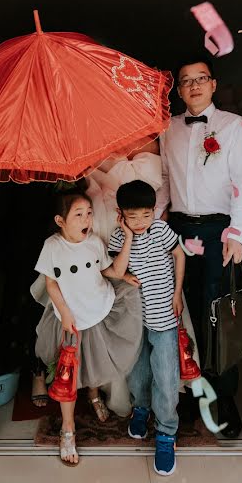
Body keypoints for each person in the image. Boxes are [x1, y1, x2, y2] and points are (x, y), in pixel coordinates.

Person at [155, 55, 242, 438]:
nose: (193, 86)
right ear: (178, 90)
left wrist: (237, 234)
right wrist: (159, 217)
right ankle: (184, 394)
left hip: (218, 233)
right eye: (185, 81)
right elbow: (165, 178)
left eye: (201, 79)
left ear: (213, 85)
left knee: (217, 318)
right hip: (176, 230)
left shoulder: (231, 127)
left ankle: (223, 397)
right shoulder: (169, 129)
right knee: (176, 314)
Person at [34, 187, 143, 466]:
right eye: (79, 214)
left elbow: (109, 270)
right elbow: (51, 283)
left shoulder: (94, 242)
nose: (86, 220)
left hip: (98, 310)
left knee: (94, 363)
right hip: (70, 320)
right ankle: (67, 428)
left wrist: (126, 252)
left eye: (89, 214)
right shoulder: (52, 246)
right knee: (68, 375)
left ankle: (94, 395)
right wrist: (64, 311)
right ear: (61, 220)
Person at [108, 180, 186, 476]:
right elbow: (118, 268)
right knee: (137, 369)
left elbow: (179, 255)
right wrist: (127, 236)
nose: (140, 222)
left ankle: (166, 433)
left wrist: (177, 292)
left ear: (154, 211)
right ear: (121, 215)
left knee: (166, 374)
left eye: (146, 214)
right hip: (134, 317)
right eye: (132, 217)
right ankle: (141, 408)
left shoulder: (162, 230)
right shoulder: (120, 236)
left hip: (164, 315)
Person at [85, 140, 162, 416]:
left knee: (149, 316)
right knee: (112, 309)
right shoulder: (95, 137)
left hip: (146, 227)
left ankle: (155, 392)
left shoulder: (154, 134)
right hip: (107, 226)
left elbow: (158, 185)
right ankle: (113, 386)